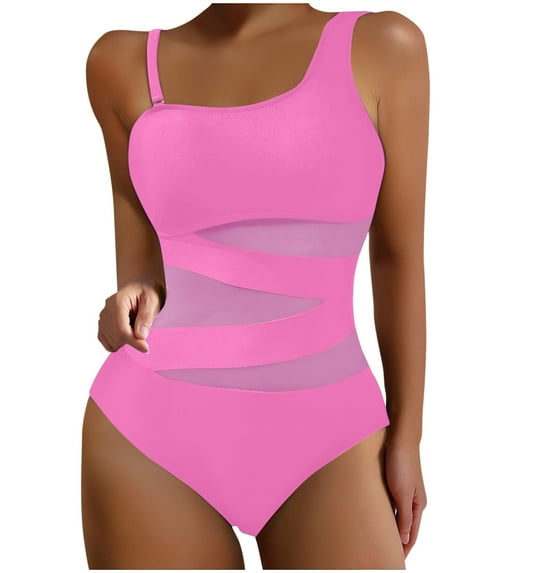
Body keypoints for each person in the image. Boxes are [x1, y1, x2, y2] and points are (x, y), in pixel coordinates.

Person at [81, 3, 429, 569]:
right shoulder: (119, 62)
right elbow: (146, 270)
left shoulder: (385, 46)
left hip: (330, 432)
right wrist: (131, 298)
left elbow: (397, 257)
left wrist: (408, 438)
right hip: (150, 430)